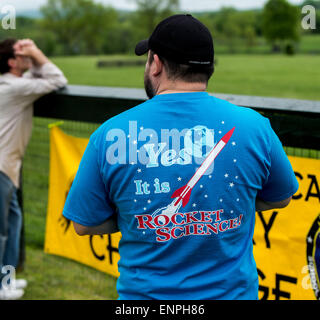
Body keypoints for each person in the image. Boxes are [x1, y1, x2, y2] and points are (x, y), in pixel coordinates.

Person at [62, 14, 299, 300]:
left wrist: (137, 220)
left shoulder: (109, 134)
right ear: (209, 68)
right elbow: (281, 197)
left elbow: (84, 223)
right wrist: (221, 214)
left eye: (149, 58)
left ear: (157, 64)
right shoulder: (254, 126)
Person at [0, 38, 67, 300]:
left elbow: (40, 75)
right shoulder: (14, 87)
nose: (27, 55)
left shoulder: (14, 83)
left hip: (8, 167)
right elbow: (57, 79)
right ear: (12, 62)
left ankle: (6, 281)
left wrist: (32, 56)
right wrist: (37, 52)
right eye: (21, 52)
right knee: (3, 230)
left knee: (13, 223)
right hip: (3, 167)